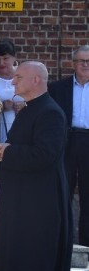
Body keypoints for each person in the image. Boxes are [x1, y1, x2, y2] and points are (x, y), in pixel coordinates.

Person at [0, 61, 72, 271]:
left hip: (41, 205)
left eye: (18, 77)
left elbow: (44, 155)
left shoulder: (50, 112)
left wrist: (8, 152)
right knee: (17, 256)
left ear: (36, 80)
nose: (13, 82)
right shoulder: (29, 110)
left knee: (37, 260)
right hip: (21, 202)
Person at [50, 45, 89, 247]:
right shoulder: (58, 88)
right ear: (73, 64)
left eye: (88, 61)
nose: (85, 65)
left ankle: (86, 244)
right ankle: (62, 241)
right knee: (62, 191)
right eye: (81, 61)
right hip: (67, 142)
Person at [0, 38, 24, 213]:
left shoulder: (23, 75)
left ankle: (16, 212)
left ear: (14, 58)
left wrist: (24, 106)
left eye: (6, 58)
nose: (1, 63)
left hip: (21, 130)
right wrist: (2, 105)